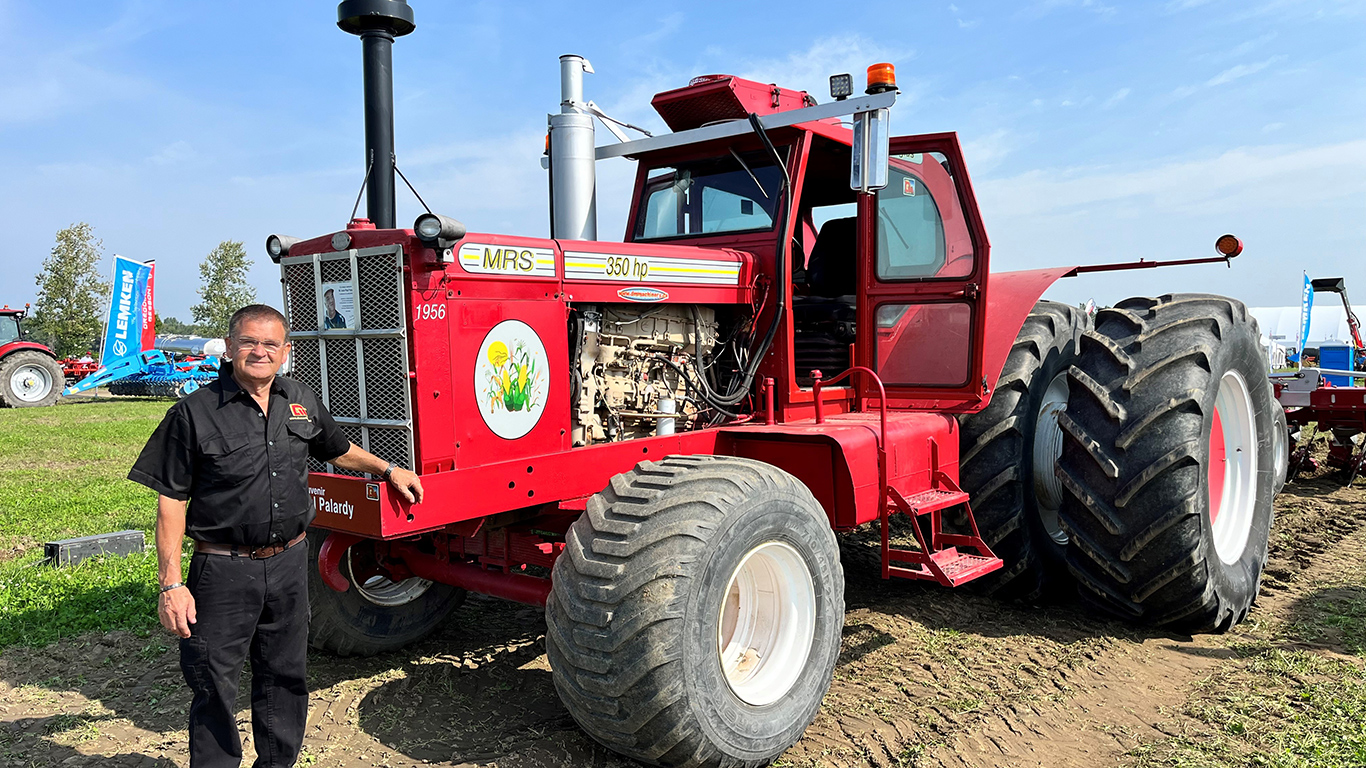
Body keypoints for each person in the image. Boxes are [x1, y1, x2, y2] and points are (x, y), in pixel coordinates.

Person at [128, 304, 423, 767]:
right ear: (229, 348)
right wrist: (171, 584)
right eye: (248, 342)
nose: (259, 352)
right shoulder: (194, 413)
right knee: (213, 684)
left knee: (285, 676)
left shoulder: (299, 400)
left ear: (285, 352)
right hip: (222, 570)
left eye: (270, 344)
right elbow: (170, 502)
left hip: (289, 563)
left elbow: (338, 450)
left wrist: (388, 469)